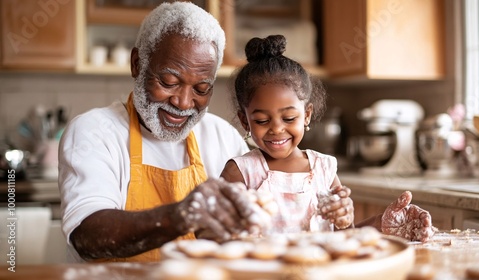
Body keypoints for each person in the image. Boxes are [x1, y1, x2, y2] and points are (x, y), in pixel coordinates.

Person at [59, 2, 432, 264]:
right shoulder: (95, 132)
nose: (184, 102)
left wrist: (377, 226)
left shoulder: (223, 139)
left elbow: (292, 232)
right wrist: (180, 217)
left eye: (202, 88)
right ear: (138, 64)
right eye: (168, 81)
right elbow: (88, 236)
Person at [220, 35, 435, 241]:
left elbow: (343, 238)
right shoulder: (240, 172)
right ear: (245, 121)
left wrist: (369, 223)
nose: (276, 129)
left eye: (289, 118)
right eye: (262, 121)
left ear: (306, 115)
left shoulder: (323, 169)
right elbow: (213, 237)